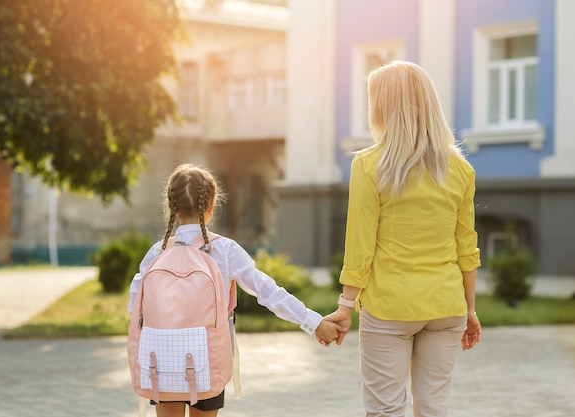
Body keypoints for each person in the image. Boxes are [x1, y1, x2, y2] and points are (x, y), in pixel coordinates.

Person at [325, 61, 482, 417]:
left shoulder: (368, 165)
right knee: (434, 407)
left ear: (382, 106)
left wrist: (346, 306)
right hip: (447, 306)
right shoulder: (460, 169)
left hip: (389, 308)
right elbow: (466, 249)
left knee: (385, 410)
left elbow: (360, 244)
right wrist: (470, 310)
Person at [128, 163, 344, 417]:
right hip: (206, 360)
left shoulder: (157, 253)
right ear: (210, 206)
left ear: (171, 207)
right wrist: (314, 322)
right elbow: (268, 292)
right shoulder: (224, 251)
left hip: (160, 360)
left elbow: (135, 309)